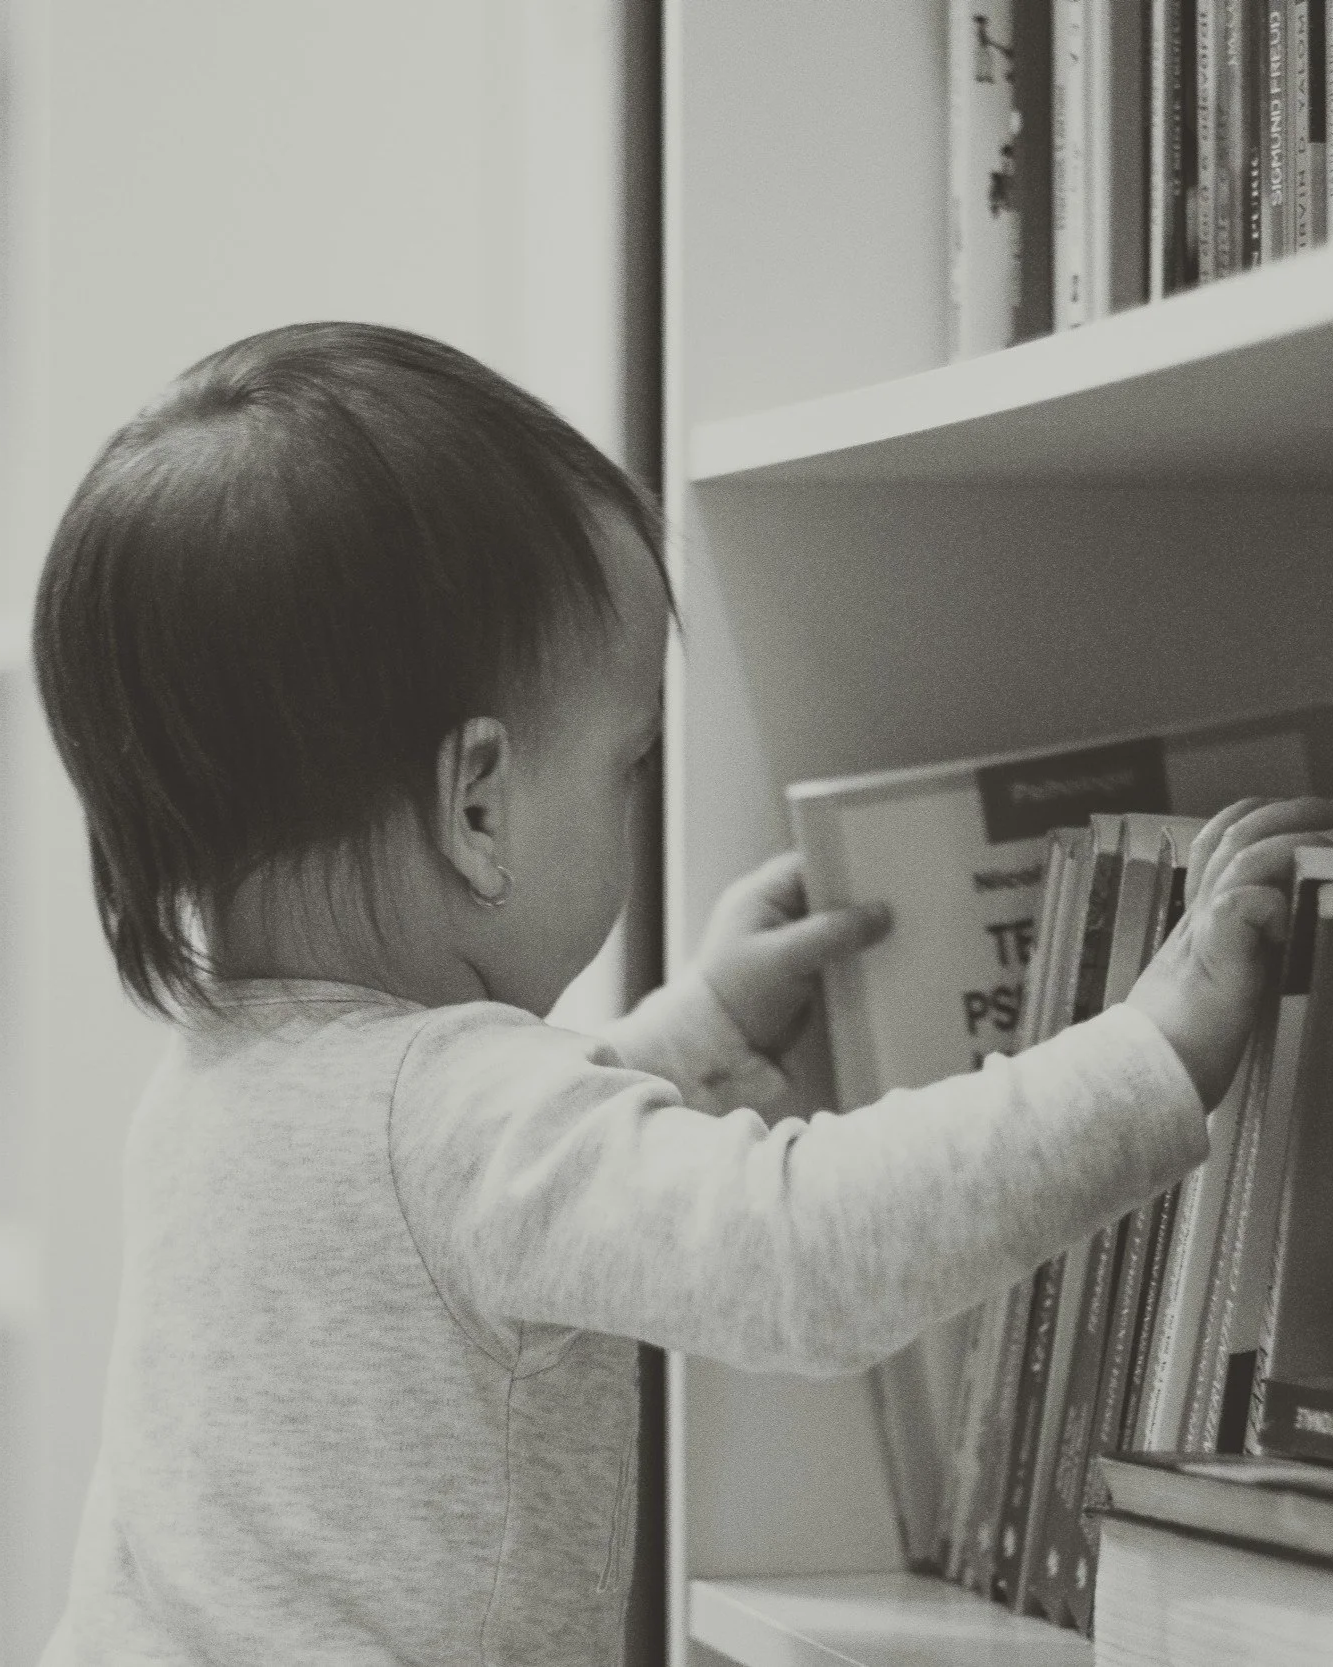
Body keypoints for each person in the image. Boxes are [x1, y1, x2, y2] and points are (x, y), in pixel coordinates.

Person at [30, 321, 1328, 1665]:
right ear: (479, 804)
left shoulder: (213, 1081)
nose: (638, 794)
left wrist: (699, 1034)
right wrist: (1153, 1049)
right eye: (629, 763)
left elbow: (473, 1211)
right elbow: (807, 1246)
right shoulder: (460, 1117)